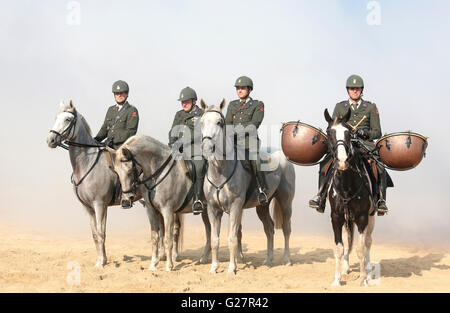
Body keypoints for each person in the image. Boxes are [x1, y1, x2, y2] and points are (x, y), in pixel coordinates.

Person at [309, 74, 390, 215]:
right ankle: (320, 197)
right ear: (348, 90)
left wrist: (365, 133)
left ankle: (380, 200)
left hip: (364, 145)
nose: (355, 91)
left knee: (380, 166)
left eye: (357, 89)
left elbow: (377, 132)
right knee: (324, 165)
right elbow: (333, 127)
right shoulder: (340, 107)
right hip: (342, 144)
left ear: (361, 90)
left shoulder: (370, 107)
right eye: (352, 88)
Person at [224, 76, 268, 205]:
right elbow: (227, 124)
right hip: (233, 143)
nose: (239, 90)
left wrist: (236, 131)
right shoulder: (232, 105)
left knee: (256, 161)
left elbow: (254, 124)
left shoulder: (257, 105)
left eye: (242, 88)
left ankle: (262, 189)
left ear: (249, 89)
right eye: (238, 88)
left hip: (250, 143)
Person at [168, 87, 206, 215]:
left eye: (187, 101)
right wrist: (173, 141)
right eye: (182, 101)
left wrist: (182, 141)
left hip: (195, 149)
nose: (184, 103)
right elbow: (173, 130)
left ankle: (198, 199)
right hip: (178, 149)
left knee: (199, 166)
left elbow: (198, 132)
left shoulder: (201, 114)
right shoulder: (179, 114)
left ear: (194, 101)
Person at [94, 80, 139, 149]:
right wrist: (96, 140)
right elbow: (104, 128)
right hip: (109, 146)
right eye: (117, 93)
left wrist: (113, 139)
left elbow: (131, 132)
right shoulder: (110, 109)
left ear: (127, 94)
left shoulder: (132, 110)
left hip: (123, 148)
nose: (119, 95)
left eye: (122, 93)